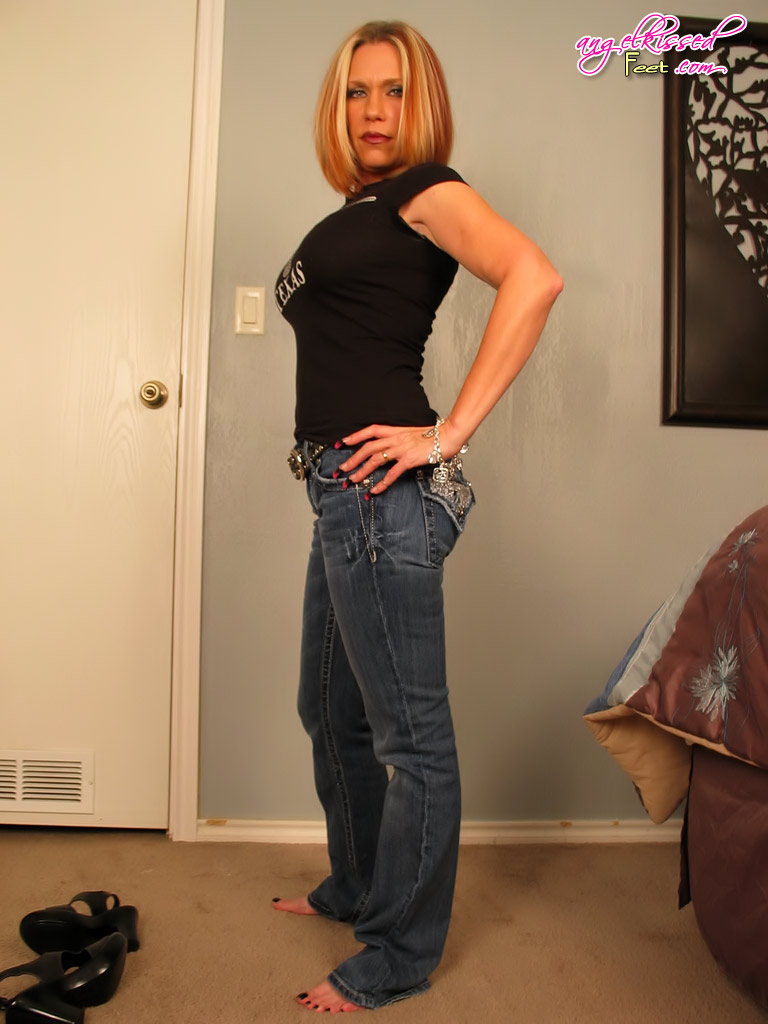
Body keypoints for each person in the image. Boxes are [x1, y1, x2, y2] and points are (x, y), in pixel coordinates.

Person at [272, 20, 562, 1013]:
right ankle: (358, 885)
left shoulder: (424, 190)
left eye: (393, 90)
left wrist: (444, 437)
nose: (374, 110)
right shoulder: (364, 207)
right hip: (337, 492)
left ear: (421, 102)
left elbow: (534, 276)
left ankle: (398, 951)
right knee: (327, 708)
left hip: (379, 494)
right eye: (357, 91)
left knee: (411, 739)